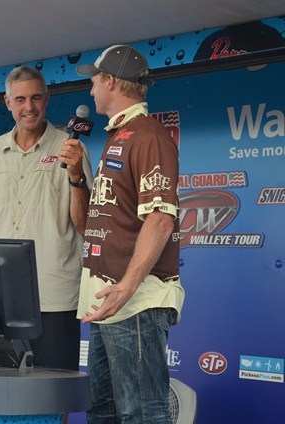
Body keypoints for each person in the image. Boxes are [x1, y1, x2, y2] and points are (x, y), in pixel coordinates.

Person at [60, 45, 185, 423]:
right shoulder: (119, 136)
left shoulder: (148, 136)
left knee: (142, 413)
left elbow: (160, 220)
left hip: (134, 302)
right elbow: (87, 226)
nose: (91, 89)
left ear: (111, 81)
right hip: (106, 300)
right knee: (103, 411)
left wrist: (126, 287)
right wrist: (76, 177)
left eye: (94, 80)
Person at [0, 66, 93, 371]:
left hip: (54, 295)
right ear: (8, 103)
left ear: (47, 100)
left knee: (54, 386)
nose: (29, 107)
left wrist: (75, 175)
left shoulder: (72, 149)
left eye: (35, 98)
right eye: (20, 99)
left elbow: (86, 224)